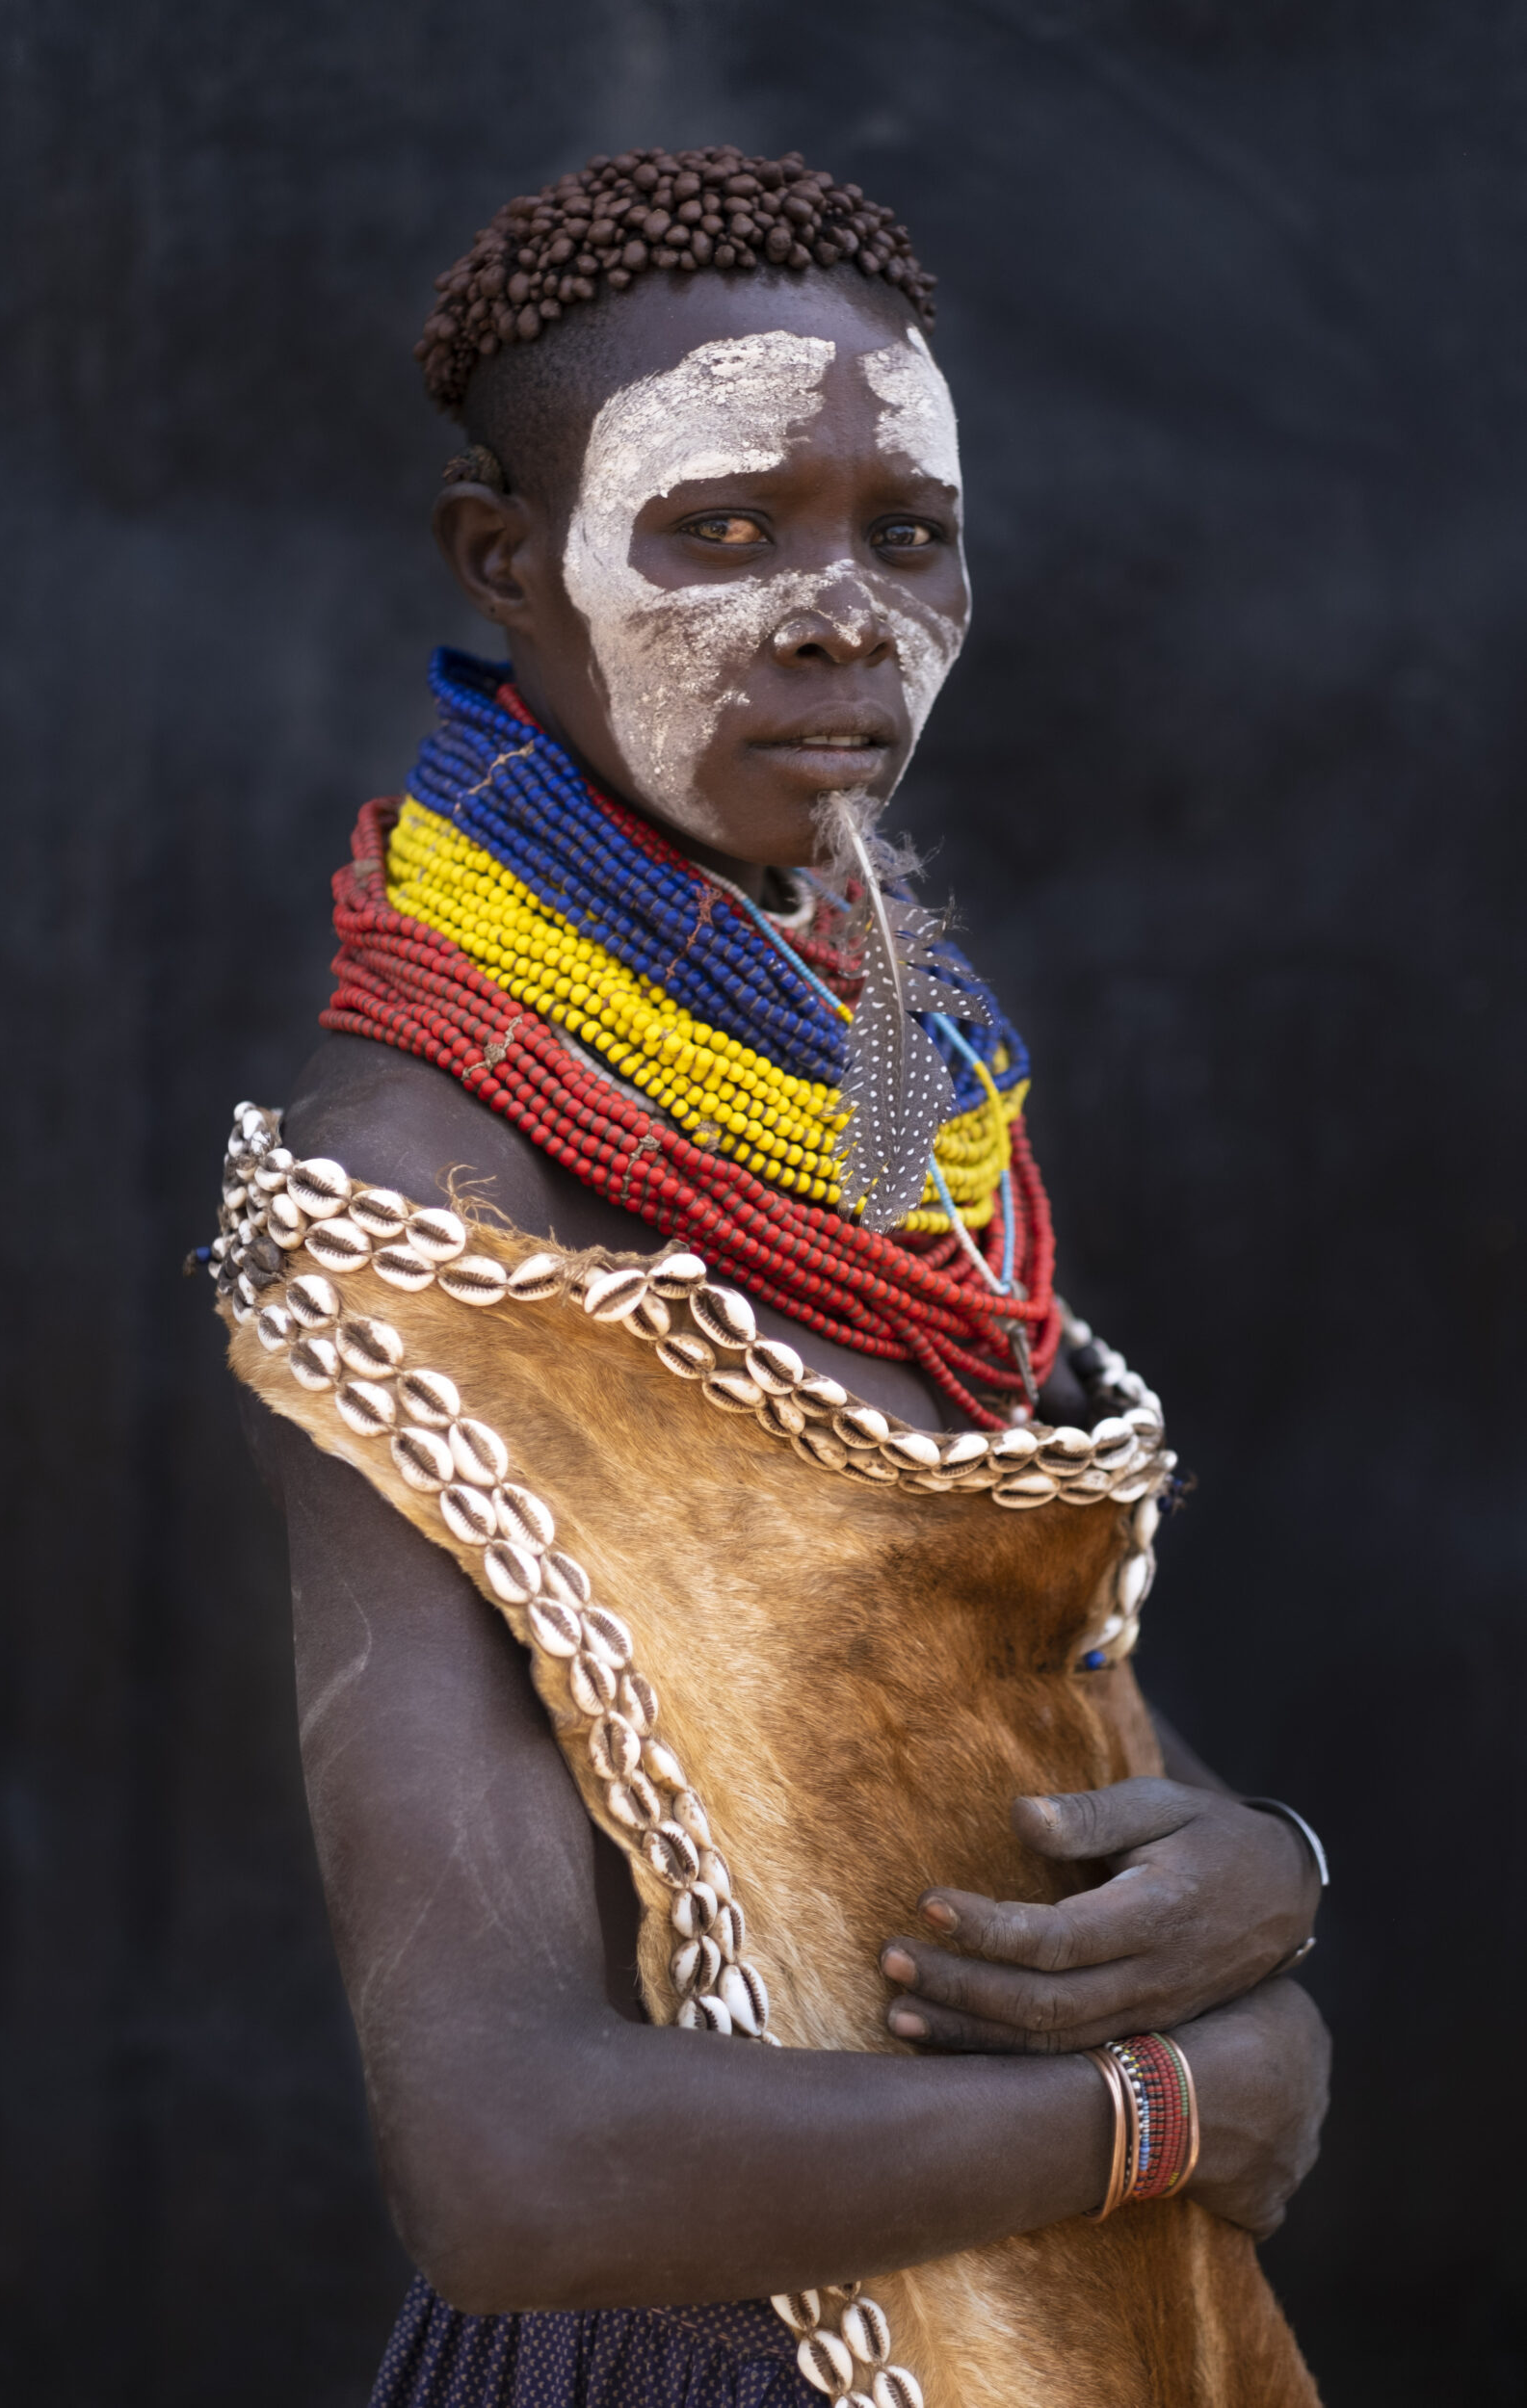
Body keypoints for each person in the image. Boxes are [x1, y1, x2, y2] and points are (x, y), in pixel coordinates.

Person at [204, 144, 1331, 2408]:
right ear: (502, 561)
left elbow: (967, 1694)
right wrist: (1175, 2102)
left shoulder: (897, 1087)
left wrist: (1264, 1867)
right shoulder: (424, 1201)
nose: (837, 615)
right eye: (719, 530)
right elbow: (511, 2160)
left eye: (903, 532)